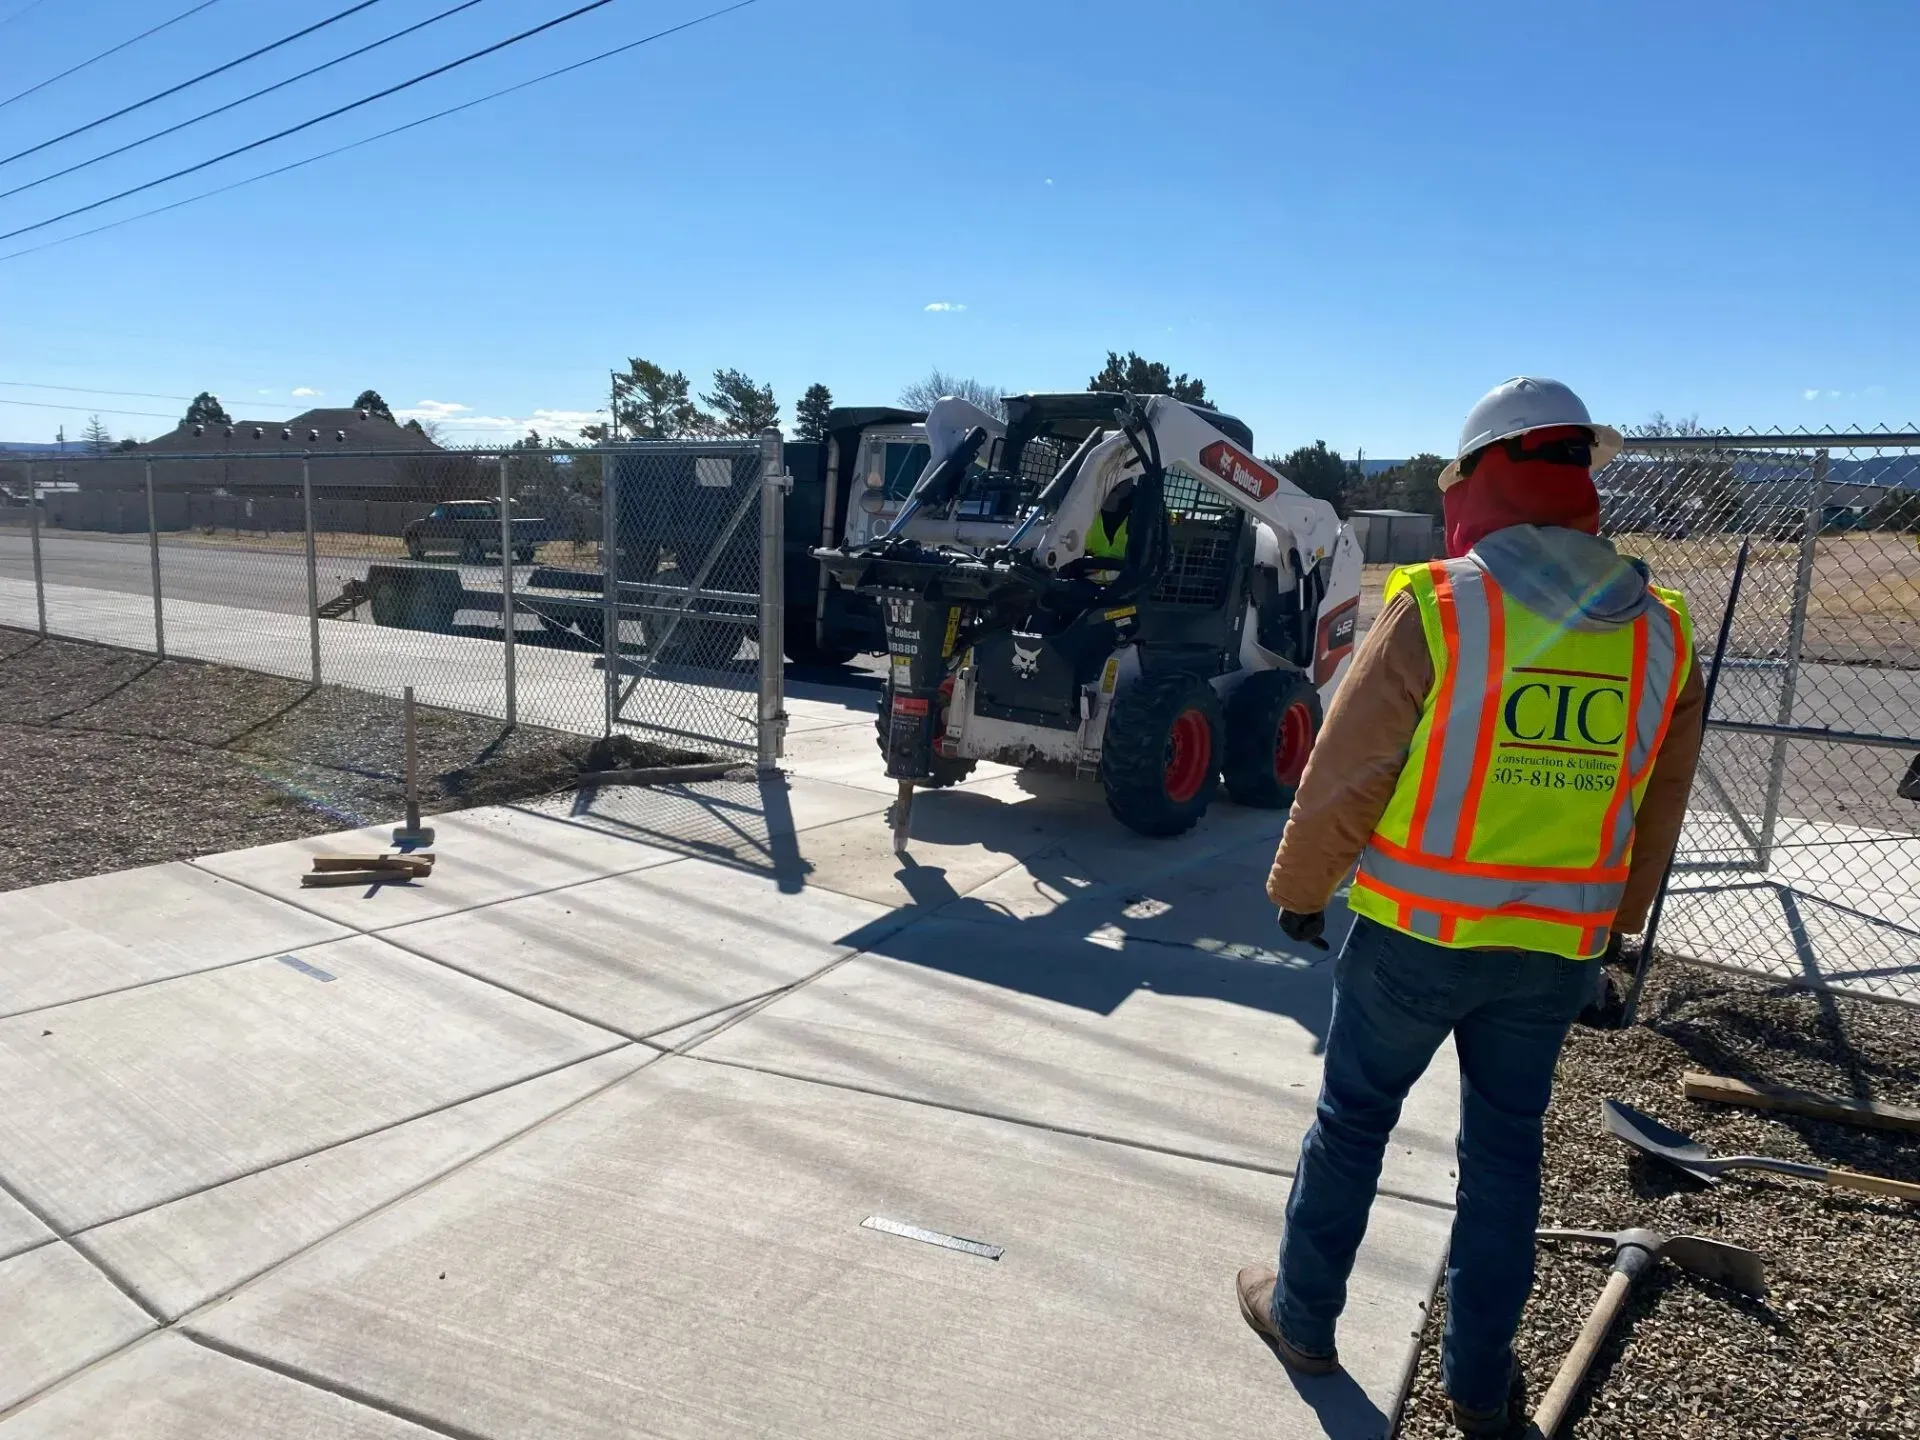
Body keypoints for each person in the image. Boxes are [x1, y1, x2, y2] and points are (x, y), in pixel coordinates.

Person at [1234, 377, 1706, 1434]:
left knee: (1352, 1123)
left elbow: (1349, 771)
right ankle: (1479, 1382)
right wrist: (1617, 933)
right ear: (1581, 482)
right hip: (1551, 956)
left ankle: (1303, 1316)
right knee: (1505, 1152)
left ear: (1478, 479)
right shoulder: (1662, 632)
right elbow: (1655, 809)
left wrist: (1301, 891)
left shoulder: (1443, 604)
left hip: (1413, 937)